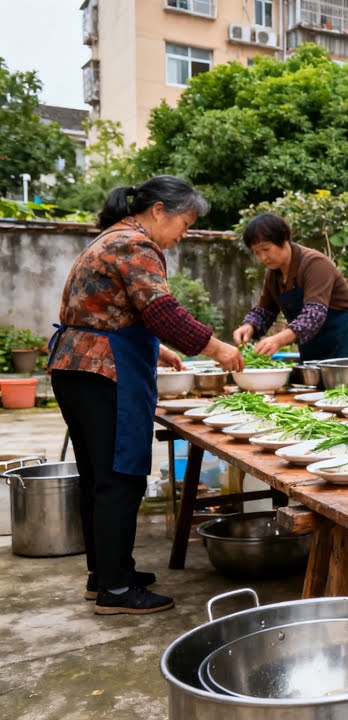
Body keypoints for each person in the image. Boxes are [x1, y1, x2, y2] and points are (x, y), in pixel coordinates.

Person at [48, 176, 243, 615]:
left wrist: (160, 350)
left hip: (76, 367)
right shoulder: (136, 244)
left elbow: (112, 310)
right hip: (102, 370)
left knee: (99, 476)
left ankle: (106, 574)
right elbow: (162, 311)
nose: (183, 235)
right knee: (120, 477)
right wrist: (217, 347)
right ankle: (116, 591)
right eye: (185, 224)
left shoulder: (113, 237)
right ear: (159, 210)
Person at [232, 212, 348, 360]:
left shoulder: (315, 264)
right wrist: (250, 326)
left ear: (284, 240)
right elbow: (265, 310)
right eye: (257, 253)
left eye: (266, 249)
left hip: (344, 341)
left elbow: (314, 314)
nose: (262, 258)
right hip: (313, 345)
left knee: (347, 384)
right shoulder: (274, 273)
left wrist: (279, 339)